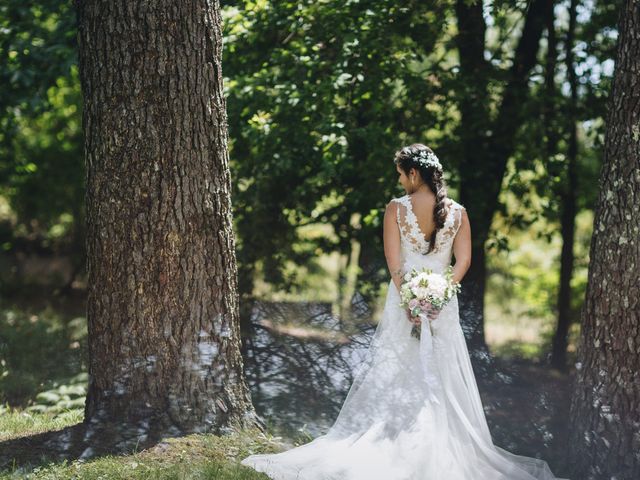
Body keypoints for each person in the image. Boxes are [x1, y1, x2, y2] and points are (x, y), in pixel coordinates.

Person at [240, 143, 568, 479]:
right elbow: (464, 260)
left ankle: (397, 441)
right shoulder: (460, 212)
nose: (399, 181)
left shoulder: (396, 209)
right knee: (442, 375)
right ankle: (435, 447)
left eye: (400, 174)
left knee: (398, 369)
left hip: (403, 302)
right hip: (444, 304)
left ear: (414, 173)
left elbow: (395, 264)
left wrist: (412, 300)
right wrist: (439, 295)